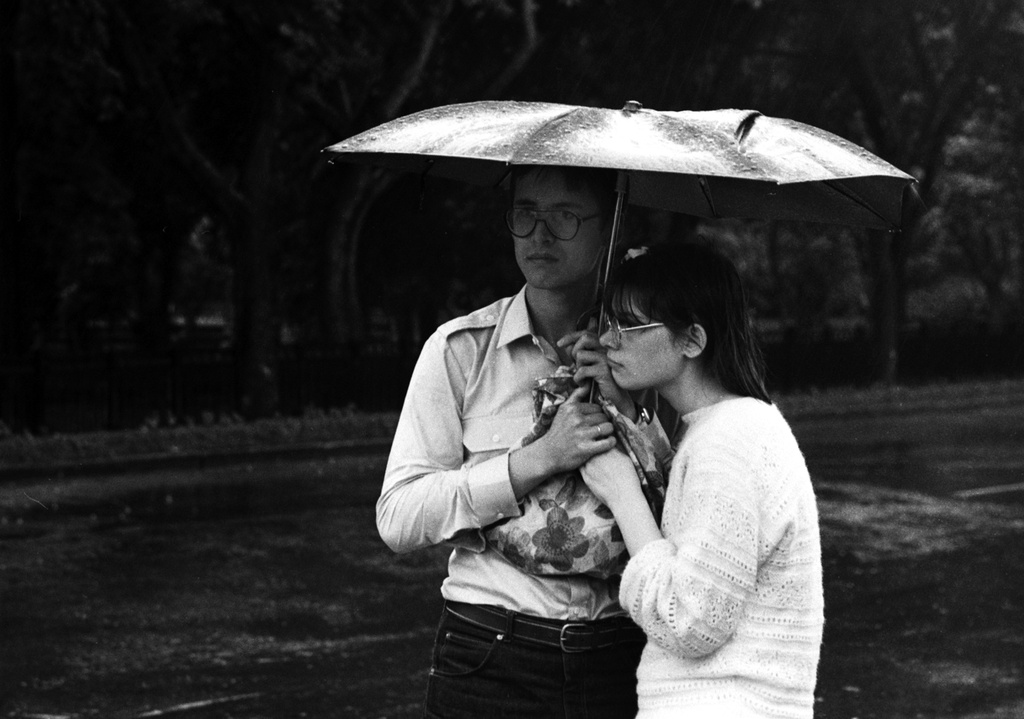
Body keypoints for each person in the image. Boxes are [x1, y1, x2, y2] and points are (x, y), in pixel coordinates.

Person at [378, 165, 664, 718]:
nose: (540, 234)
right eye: (526, 212)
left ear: (611, 228)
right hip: (490, 657)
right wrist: (536, 459)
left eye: (565, 215)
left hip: (624, 658)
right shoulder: (460, 351)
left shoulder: (652, 353)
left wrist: (631, 411)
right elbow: (398, 516)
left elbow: (690, 518)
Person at [575, 241, 824, 719]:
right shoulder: (725, 427)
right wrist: (626, 411)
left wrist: (623, 495)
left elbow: (689, 622)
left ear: (691, 340)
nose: (608, 340)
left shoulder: (727, 442)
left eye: (628, 325)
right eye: (610, 323)